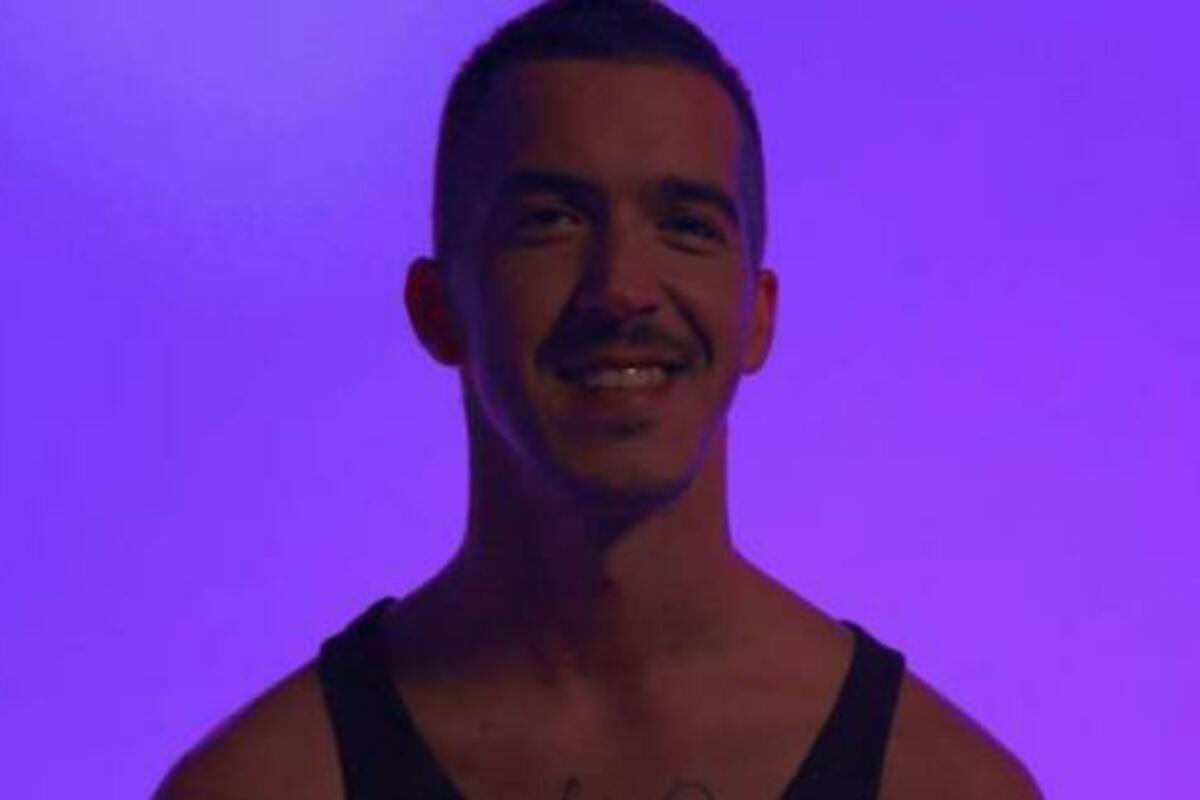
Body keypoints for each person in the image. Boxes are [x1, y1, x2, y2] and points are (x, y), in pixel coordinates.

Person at [156, 1, 1042, 797]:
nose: (620, 288)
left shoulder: (943, 786)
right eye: (550, 219)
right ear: (436, 308)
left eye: (686, 226)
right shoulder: (261, 787)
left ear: (759, 316)